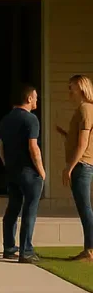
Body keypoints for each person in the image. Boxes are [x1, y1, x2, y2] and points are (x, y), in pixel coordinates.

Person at [0, 84, 45, 263]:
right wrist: (41, 171)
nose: (36, 100)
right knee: (29, 210)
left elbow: (1, 146)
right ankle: (26, 251)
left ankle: (9, 247)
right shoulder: (31, 119)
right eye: (35, 97)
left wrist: (7, 165)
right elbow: (33, 147)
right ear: (28, 99)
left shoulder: (6, 119)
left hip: (12, 172)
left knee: (12, 209)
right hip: (28, 172)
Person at [56, 74, 93, 262]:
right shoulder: (83, 109)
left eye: (71, 87)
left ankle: (90, 250)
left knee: (85, 207)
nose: (69, 91)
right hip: (82, 164)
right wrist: (66, 135)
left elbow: (83, 143)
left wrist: (69, 167)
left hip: (81, 165)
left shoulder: (86, 109)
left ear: (81, 87)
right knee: (84, 207)